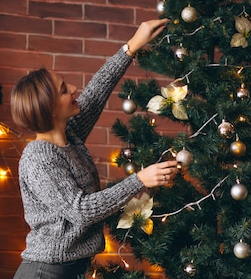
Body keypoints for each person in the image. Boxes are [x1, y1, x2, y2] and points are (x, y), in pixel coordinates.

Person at [10, 18, 178, 279]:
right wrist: (139, 180)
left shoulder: (69, 135)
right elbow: (81, 211)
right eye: (65, 90)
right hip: (46, 272)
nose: (75, 89)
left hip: (69, 269)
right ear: (50, 108)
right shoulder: (39, 157)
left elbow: (97, 91)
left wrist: (132, 46)